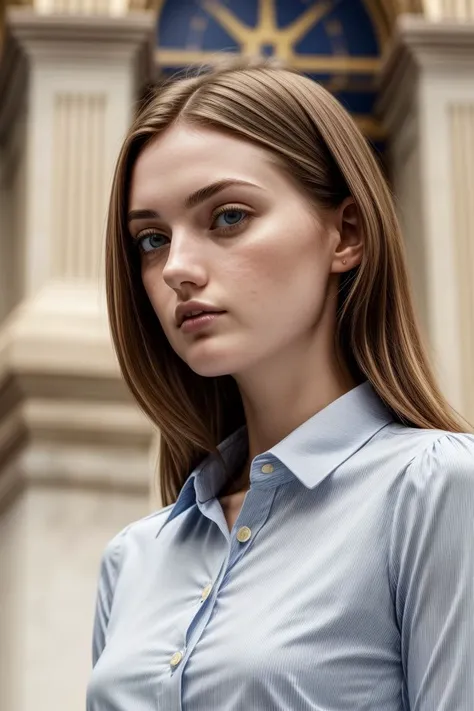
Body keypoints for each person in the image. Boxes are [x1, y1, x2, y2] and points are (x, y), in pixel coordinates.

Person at [86, 57, 474, 711]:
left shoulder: (436, 490)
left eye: (228, 217)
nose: (177, 266)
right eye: (151, 238)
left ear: (345, 232)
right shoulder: (134, 558)